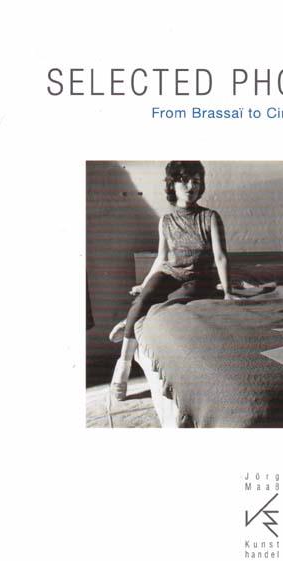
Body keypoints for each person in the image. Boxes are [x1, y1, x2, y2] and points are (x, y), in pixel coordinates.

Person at [108, 161, 236, 402]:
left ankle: (130, 321)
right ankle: (122, 369)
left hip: (198, 277)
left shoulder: (210, 217)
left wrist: (228, 291)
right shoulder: (166, 221)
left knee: (174, 301)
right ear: (173, 185)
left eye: (196, 181)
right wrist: (144, 284)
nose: (191, 187)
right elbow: (161, 258)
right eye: (185, 181)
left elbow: (220, 257)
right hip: (170, 272)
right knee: (144, 298)